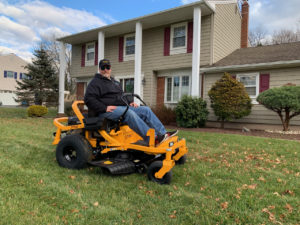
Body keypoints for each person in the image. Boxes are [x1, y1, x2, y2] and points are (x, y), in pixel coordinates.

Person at [84, 59, 177, 146]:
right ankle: (152, 138)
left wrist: (130, 102)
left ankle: (163, 134)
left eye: (107, 67)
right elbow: (88, 99)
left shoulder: (114, 82)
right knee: (129, 113)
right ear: (99, 69)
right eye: (103, 68)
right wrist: (104, 108)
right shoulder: (95, 83)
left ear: (110, 69)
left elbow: (121, 95)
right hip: (105, 112)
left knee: (145, 110)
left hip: (121, 108)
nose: (105, 70)